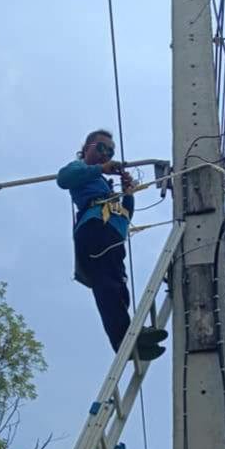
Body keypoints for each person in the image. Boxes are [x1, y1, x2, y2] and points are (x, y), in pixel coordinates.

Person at [57, 129, 167, 360]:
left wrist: (128, 193)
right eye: (101, 147)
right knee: (108, 285)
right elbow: (63, 179)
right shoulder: (80, 169)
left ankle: (129, 336)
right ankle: (121, 339)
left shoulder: (104, 186)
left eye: (110, 151)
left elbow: (126, 216)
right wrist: (100, 168)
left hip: (112, 235)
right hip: (95, 229)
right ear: (87, 148)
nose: (105, 153)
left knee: (118, 287)